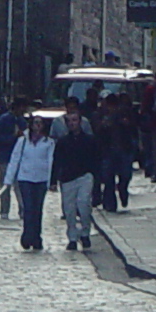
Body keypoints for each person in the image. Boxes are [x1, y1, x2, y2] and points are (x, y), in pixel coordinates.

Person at [5, 115, 57, 251]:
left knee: (37, 209)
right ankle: (27, 236)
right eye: (36, 123)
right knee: (28, 208)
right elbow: (15, 159)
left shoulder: (49, 142)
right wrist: (8, 180)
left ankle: (37, 237)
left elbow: (51, 162)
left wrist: (52, 181)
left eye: (40, 123)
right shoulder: (22, 141)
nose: (38, 126)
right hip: (25, 179)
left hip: (41, 179)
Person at [54, 105, 101, 251]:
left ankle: (85, 232)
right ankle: (72, 237)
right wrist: (53, 180)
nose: (72, 123)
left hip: (85, 176)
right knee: (69, 210)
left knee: (84, 203)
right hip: (67, 179)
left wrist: (96, 178)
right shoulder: (62, 142)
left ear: (80, 122)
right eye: (69, 121)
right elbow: (57, 161)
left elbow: (96, 160)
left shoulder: (89, 140)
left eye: (74, 120)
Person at [0, 97, 28, 216]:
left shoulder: (22, 121)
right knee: (5, 186)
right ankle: (4, 210)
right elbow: (0, 140)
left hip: (20, 159)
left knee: (20, 186)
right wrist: (14, 136)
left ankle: (23, 209)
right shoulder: (3, 120)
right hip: (5, 157)